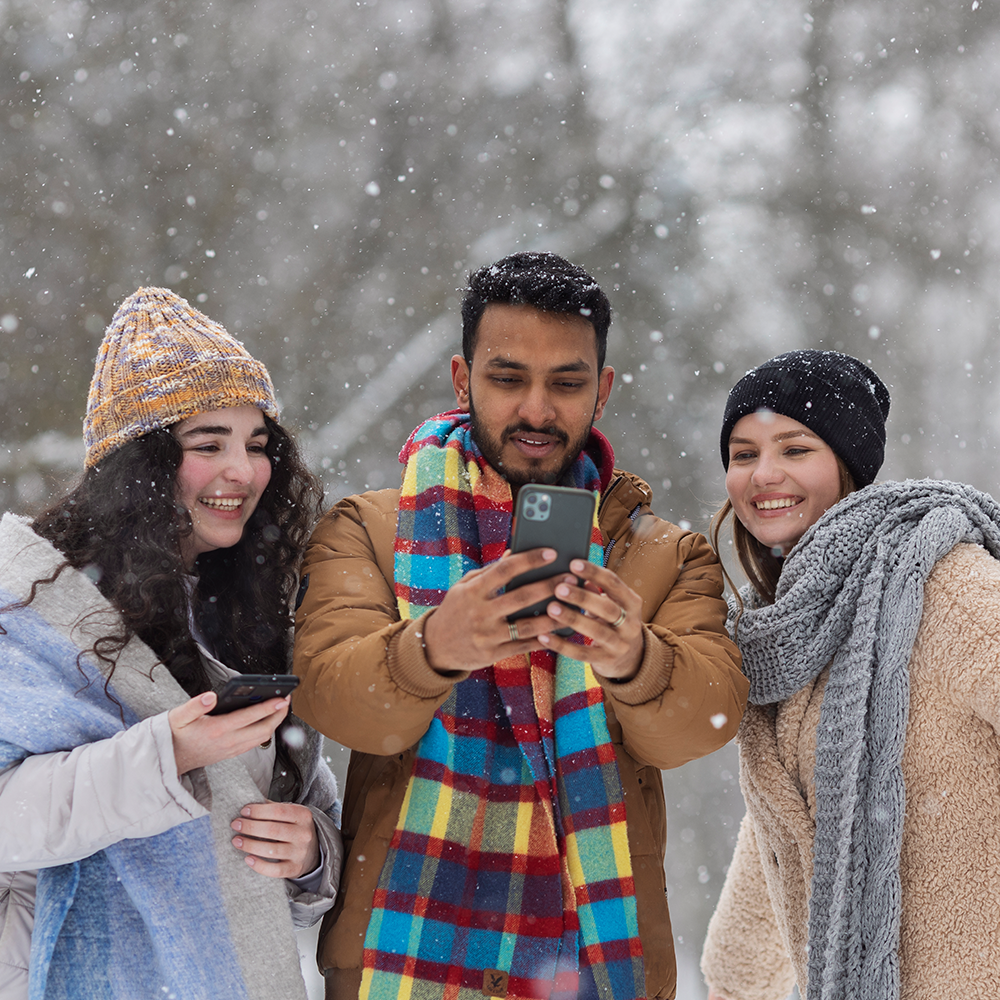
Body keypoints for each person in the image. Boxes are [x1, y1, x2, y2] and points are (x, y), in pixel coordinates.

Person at [292, 251, 748, 1000]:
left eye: (566, 383)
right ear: (461, 379)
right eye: (508, 378)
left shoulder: (668, 557)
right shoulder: (369, 530)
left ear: (601, 392)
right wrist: (435, 646)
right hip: (401, 966)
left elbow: (705, 724)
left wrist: (633, 657)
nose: (537, 411)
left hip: (591, 970)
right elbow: (332, 697)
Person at [0, 288, 343, 1000]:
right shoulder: (33, 610)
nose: (243, 471)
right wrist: (169, 757)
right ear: (142, 466)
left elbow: (314, 811)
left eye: (256, 445)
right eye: (208, 444)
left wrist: (311, 852)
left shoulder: (253, 614)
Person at [700, 350, 1000, 1000]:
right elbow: (794, 820)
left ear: (849, 463)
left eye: (795, 447)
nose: (764, 474)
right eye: (744, 453)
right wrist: (733, 976)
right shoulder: (784, 637)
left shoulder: (946, 589)